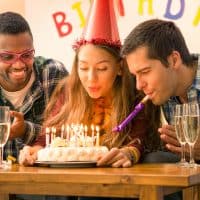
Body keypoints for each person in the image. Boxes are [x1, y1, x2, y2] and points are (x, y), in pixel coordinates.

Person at [19, 0, 160, 168]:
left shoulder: (136, 93)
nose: (91, 78)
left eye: (102, 68)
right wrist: (34, 151)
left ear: (120, 67)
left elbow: (140, 140)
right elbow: (49, 136)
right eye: (84, 68)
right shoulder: (68, 90)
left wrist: (129, 153)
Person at [121, 18, 200, 199]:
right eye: (135, 75)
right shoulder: (164, 90)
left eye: (145, 72)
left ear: (173, 60)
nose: (139, 85)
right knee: (154, 160)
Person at [0, 12, 68, 162]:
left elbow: (65, 135)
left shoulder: (53, 73)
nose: (18, 65)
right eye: (7, 57)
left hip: (45, 181)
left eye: (26, 55)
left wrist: (25, 130)